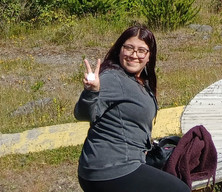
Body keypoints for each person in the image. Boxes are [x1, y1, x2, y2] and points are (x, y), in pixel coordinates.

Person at [75, 25, 189, 192]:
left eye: (141, 50)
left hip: (121, 164)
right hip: (108, 169)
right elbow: (82, 114)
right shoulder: (113, 78)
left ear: (149, 56)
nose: (134, 55)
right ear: (120, 49)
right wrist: (91, 92)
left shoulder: (139, 81)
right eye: (129, 48)